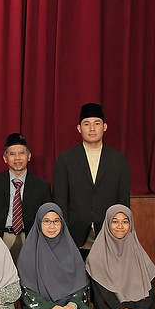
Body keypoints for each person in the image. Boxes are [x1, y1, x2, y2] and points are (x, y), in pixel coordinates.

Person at [52, 103, 131, 254]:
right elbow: (60, 199)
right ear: (79, 128)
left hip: (109, 234)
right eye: (87, 124)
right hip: (75, 235)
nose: (92, 129)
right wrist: (64, 234)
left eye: (97, 123)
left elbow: (123, 202)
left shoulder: (118, 160)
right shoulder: (66, 159)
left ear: (105, 127)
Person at [0, 133, 52, 260]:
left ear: (29, 156)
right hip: (0, 238)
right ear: (5, 158)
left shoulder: (42, 186)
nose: (17, 158)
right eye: (12, 154)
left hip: (30, 238)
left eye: (21, 153)